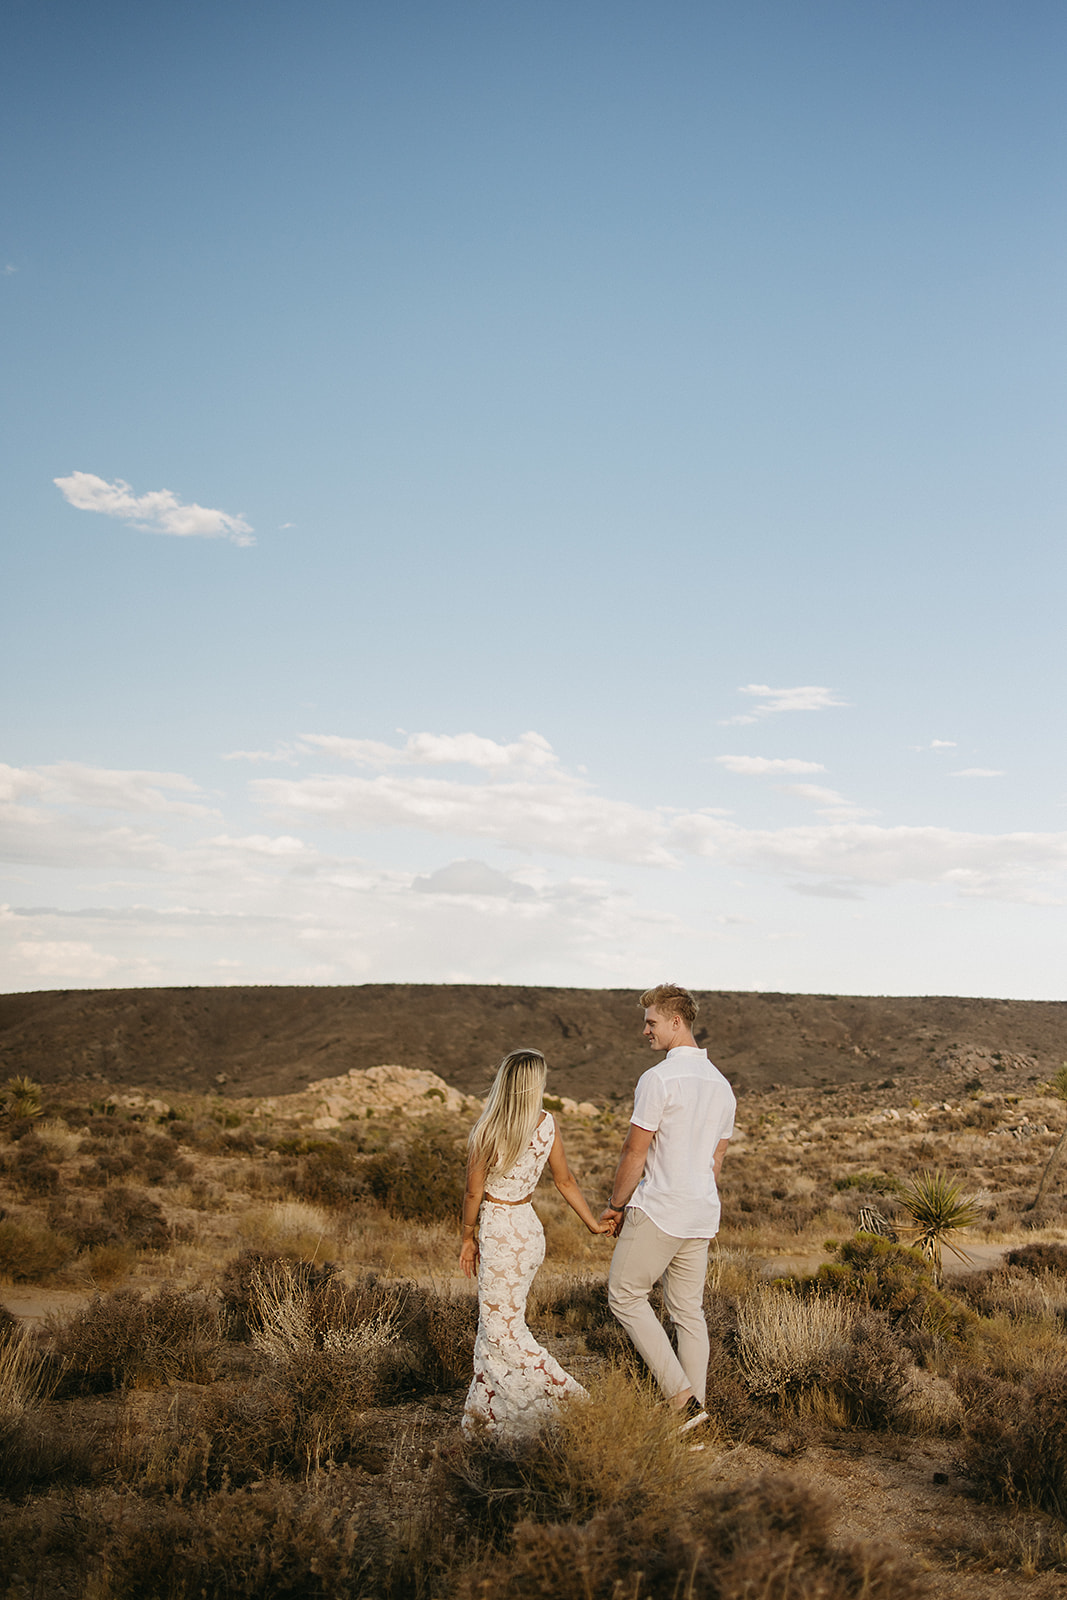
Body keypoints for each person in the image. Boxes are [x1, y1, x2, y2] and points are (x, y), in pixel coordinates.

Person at [600, 984, 735, 1434]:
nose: (646, 1031)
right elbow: (715, 1162)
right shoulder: (722, 1087)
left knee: (623, 1295)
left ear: (677, 1022)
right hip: (700, 1213)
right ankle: (697, 1422)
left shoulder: (658, 1079)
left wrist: (616, 1206)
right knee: (688, 1312)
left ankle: (681, 1400)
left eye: (652, 1022)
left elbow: (634, 1153)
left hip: (659, 1208)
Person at [460, 1048, 612, 1435]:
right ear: (532, 1086)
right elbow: (565, 1181)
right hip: (527, 1231)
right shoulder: (547, 1124)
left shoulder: (488, 1131)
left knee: (503, 1333)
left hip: (500, 1232)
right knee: (495, 1330)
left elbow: (473, 1195)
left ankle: (572, 1403)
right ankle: (489, 1421)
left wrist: (466, 1237)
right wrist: (592, 1223)